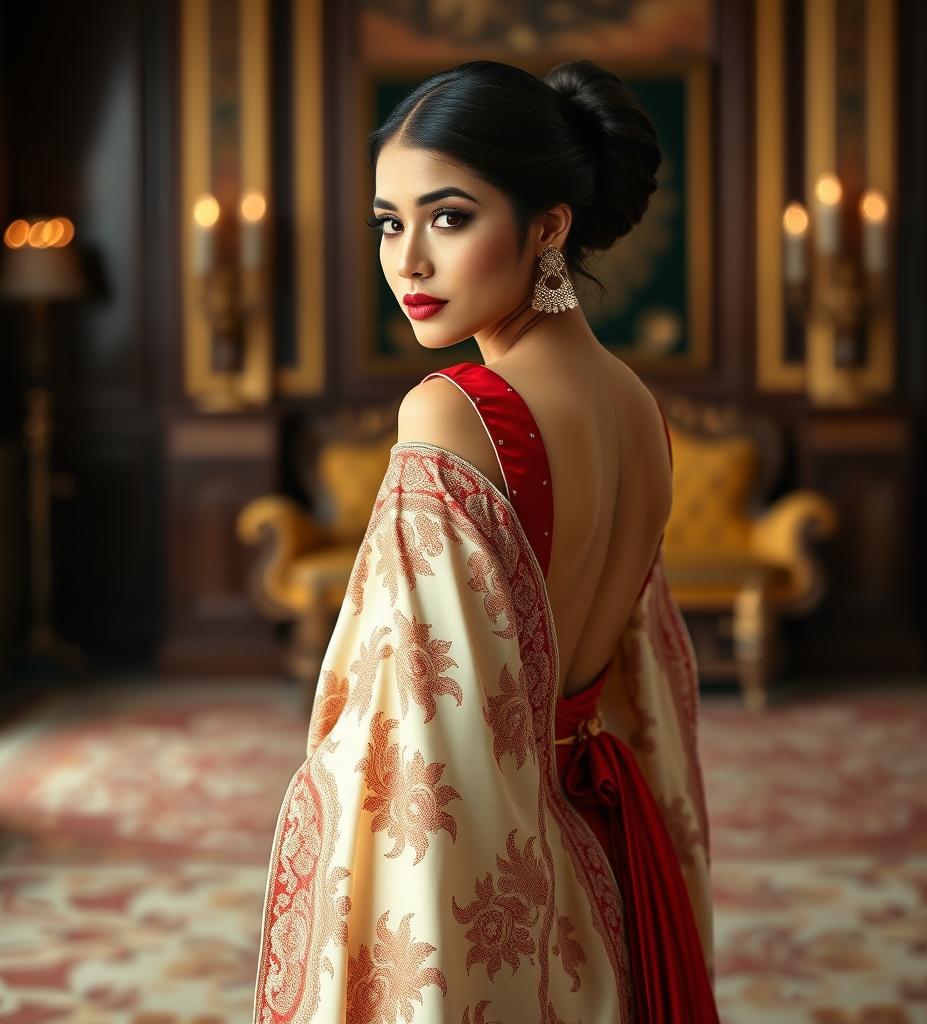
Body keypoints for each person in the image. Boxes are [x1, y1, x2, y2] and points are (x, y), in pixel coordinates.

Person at [252, 59, 720, 1024]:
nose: (407, 262)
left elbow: (416, 743)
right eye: (390, 222)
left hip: (493, 869)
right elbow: (645, 683)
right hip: (603, 853)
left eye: (450, 217)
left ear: (548, 226)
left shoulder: (455, 413)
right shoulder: (640, 408)